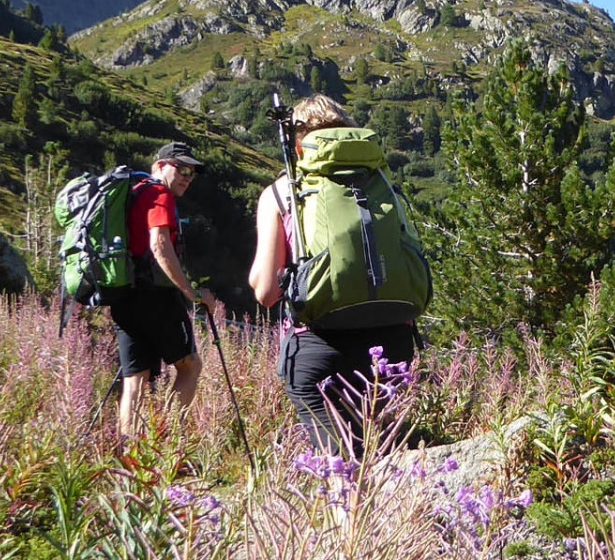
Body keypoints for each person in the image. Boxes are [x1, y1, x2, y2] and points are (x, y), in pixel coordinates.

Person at [249, 95, 417, 455]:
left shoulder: (281, 193)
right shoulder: (383, 185)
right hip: (393, 343)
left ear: (297, 144)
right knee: (380, 457)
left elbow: (265, 292)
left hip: (320, 347)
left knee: (340, 470)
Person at [111, 140, 219, 437]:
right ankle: (166, 444)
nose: (187, 176)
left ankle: (129, 453)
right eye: (181, 168)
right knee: (189, 366)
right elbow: (159, 245)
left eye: (192, 172)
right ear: (159, 166)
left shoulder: (133, 194)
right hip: (156, 298)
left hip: (123, 295)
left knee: (136, 378)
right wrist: (191, 293)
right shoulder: (159, 194)